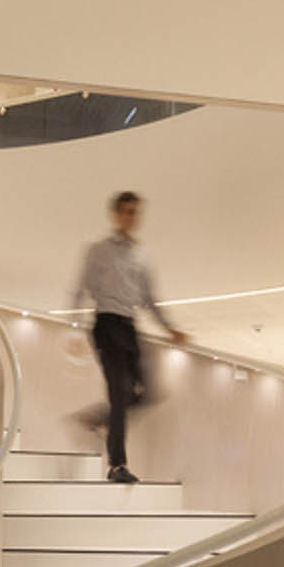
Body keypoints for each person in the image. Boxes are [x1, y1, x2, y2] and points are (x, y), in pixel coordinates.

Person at [70, 190, 187, 484]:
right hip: (106, 324)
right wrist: (73, 329)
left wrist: (169, 327)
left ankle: (99, 419)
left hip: (129, 326)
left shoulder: (142, 254)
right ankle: (117, 465)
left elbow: (149, 297)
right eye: (125, 211)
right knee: (119, 394)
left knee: (146, 392)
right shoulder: (97, 250)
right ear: (115, 215)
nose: (130, 217)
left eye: (135, 212)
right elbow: (80, 289)